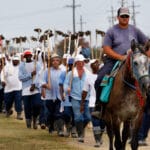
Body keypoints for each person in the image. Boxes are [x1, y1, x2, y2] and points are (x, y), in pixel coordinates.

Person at [93, 7, 149, 118]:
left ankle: (147, 106)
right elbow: (106, 49)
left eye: (126, 16)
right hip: (114, 61)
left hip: (134, 61)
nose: (125, 18)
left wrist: (146, 55)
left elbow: (147, 43)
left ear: (129, 17)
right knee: (100, 78)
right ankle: (99, 107)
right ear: (117, 17)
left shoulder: (135, 30)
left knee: (146, 77)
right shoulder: (111, 31)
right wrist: (121, 57)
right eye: (122, 16)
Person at [64, 54, 91, 143]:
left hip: (86, 97)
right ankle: (80, 135)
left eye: (83, 62)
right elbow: (66, 83)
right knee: (78, 117)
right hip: (75, 97)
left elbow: (91, 83)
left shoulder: (87, 72)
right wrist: (67, 88)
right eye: (79, 62)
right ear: (76, 63)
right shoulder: (71, 73)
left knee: (87, 117)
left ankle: (79, 128)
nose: (81, 64)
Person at [80, 59, 105, 147]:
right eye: (94, 64)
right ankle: (97, 140)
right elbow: (84, 92)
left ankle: (99, 136)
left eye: (97, 64)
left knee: (103, 123)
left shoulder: (104, 76)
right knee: (95, 122)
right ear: (91, 66)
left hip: (103, 103)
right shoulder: (88, 77)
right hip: (92, 103)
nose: (96, 65)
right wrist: (82, 104)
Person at [41, 53, 64, 136]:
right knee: (50, 114)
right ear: (51, 62)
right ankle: (51, 127)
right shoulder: (47, 71)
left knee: (59, 113)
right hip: (49, 96)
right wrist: (46, 85)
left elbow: (66, 82)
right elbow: (42, 81)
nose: (55, 62)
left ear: (60, 61)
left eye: (57, 60)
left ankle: (60, 130)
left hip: (59, 96)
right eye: (53, 60)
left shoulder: (63, 71)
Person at [19, 50, 42, 129]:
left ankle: (35, 119)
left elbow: (39, 75)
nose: (28, 57)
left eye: (29, 55)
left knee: (37, 104)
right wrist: (30, 74)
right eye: (26, 56)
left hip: (35, 88)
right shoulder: (22, 65)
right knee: (27, 107)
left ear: (31, 56)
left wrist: (34, 84)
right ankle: (28, 121)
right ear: (24, 57)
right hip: (25, 89)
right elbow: (20, 77)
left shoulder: (37, 64)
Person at [1, 55, 23, 120]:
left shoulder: (20, 67)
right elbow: (2, 74)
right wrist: (2, 81)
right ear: (12, 61)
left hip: (18, 88)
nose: (16, 62)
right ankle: (8, 111)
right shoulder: (7, 67)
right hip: (8, 89)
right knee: (8, 102)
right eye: (14, 61)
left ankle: (19, 114)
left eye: (17, 61)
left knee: (18, 101)